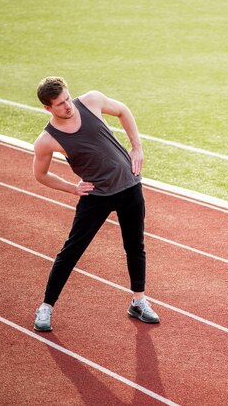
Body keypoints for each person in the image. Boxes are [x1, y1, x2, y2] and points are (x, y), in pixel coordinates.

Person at [32, 76, 159, 331]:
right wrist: (72, 188)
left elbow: (123, 110)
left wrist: (137, 147)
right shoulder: (47, 140)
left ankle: (139, 301)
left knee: (135, 245)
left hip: (130, 186)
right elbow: (40, 175)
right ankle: (46, 307)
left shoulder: (90, 101)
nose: (67, 106)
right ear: (48, 108)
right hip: (96, 197)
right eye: (60, 104)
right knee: (71, 252)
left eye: (67, 99)